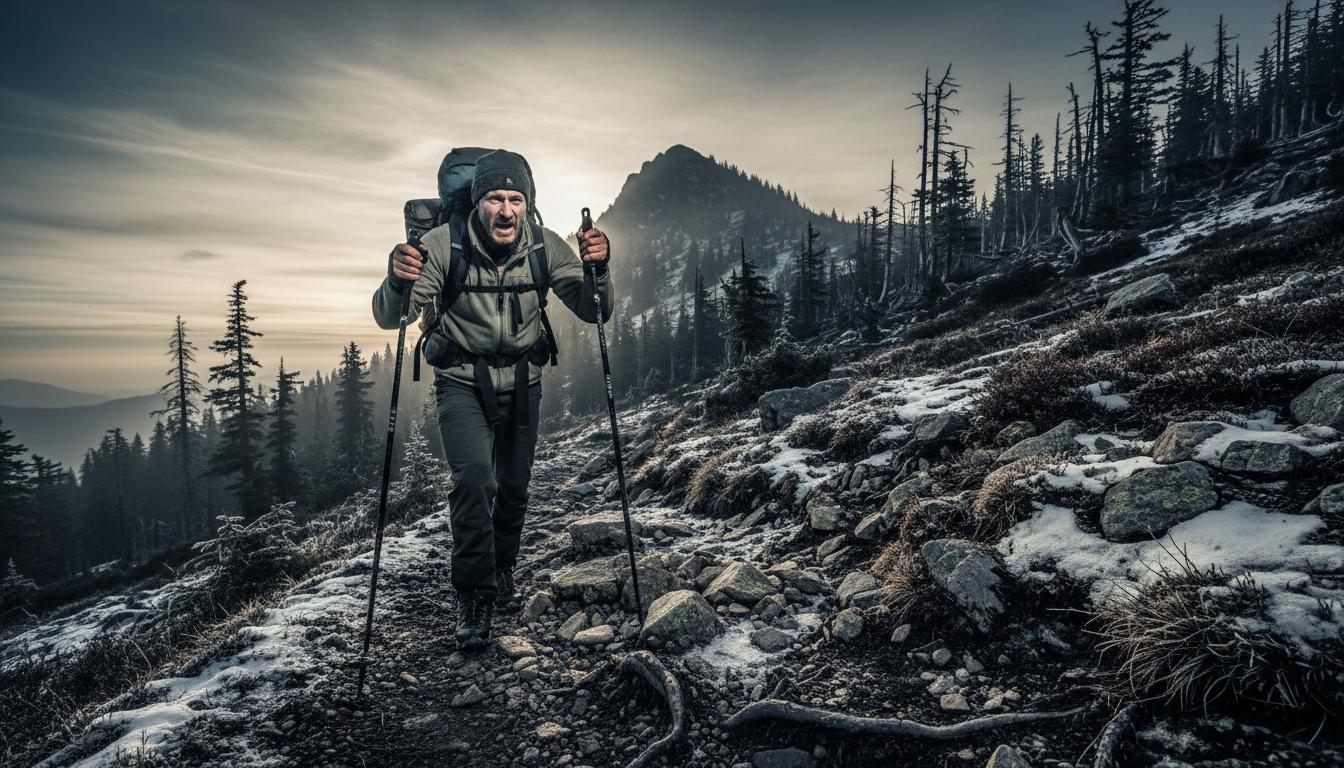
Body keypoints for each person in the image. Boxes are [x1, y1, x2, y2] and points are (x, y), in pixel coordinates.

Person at [371, 149, 613, 649]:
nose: (507, 210)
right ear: (478, 202)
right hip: (461, 381)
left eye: (516, 199)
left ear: (528, 205)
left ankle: (503, 569)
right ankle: (475, 594)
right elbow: (390, 317)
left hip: (524, 381)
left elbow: (593, 310)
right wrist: (397, 280)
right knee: (475, 480)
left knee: (515, 485)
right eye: (496, 199)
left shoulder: (545, 247)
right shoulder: (443, 245)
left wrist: (600, 269)